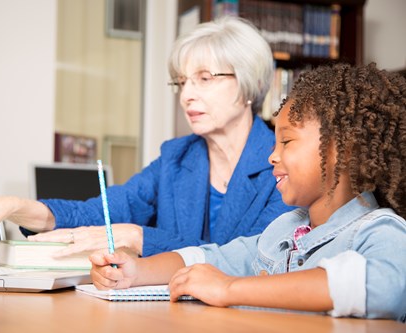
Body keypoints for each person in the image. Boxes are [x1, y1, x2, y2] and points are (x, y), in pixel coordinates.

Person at [0, 16, 292, 257]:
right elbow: (97, 212)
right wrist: (9, 207)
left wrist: (136, 237)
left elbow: (253, 259)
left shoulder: (283, 162)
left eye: (204, 78)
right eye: (181, 82)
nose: (186, 95)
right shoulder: (177, 158)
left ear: (248, 84)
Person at [89, 63, 406, 321]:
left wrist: (230, 289)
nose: (272, 155)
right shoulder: (286, 229)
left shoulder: (382, 231)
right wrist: (135, 272)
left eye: (287, 141)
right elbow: (216, 257)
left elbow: (379, 287)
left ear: (344, 151)